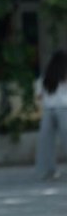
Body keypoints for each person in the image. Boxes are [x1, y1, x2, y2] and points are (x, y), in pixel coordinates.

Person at [34, 48, 67, 180]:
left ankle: (49, 170)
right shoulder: (64, 75)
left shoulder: (46, 77)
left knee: (46, 142)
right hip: (64, 109)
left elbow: (39, 96)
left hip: (48, 110)